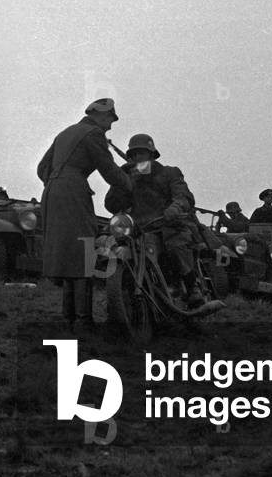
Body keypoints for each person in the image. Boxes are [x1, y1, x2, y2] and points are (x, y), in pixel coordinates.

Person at [37, 98, 132, 332]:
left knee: (69, 253)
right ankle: (83, 320)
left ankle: (68, 317)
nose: (110, 126)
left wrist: (60, 181)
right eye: (110, 120)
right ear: (100, 116)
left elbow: (42, 168)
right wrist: (131, 185)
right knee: (84, 250)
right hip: (71, 192)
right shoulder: (93, 134)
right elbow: (109, 171)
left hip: (52, 192)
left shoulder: (65, 133)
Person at [105, 133, 222, 311]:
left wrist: (174, 210)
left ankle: (192, 288)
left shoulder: (169, 172)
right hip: (141, 230)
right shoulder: (129, 177)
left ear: (152, 155)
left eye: (142, 153)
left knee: (176, 245)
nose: (138, 158)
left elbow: (184, 197)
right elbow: (112, 205)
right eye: (134, 155)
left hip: (171, 225)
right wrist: (120, 182)